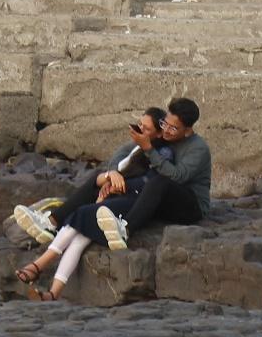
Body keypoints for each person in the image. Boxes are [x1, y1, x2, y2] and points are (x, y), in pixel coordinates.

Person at [13, 109, 173, 302]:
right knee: (80, 237)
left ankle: (38, 265)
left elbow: (150, 181)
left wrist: (115, 185)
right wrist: (110, 178)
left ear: (158, 133)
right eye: (140, 125)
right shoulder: (135, 148)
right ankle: (53, 293)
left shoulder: (162, 153)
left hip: (130, 202)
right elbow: (115, 165)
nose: (139, 130)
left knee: (81, 217)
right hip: (115, 194)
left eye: (146, 129)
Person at [95, 96, 211, 249]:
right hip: (162, 200)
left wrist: (149, 149)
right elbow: (126, 151)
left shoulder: (198, 148)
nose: (166, 131)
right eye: (164, 124)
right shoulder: (164, 135)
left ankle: (125, 229)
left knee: (159, 181)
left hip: (191, 205)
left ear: (188, 130)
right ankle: (62, 218)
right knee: (99, 179)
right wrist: (113, 173)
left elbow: (177, 176)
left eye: (173, 128)